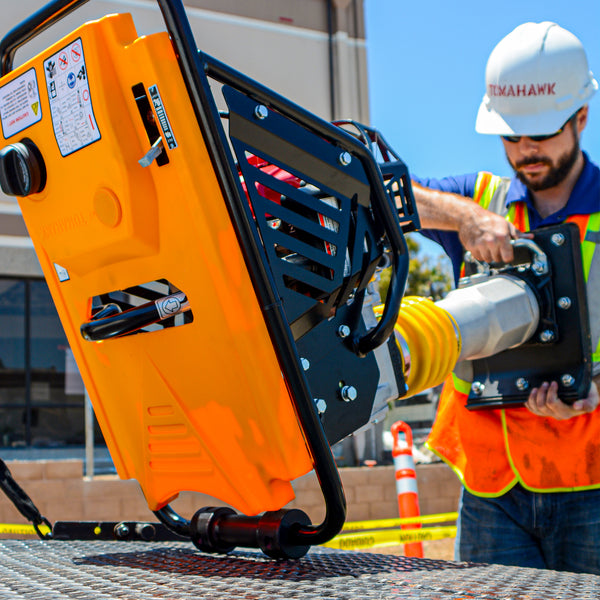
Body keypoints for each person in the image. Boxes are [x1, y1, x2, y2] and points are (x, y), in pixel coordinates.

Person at [411, 22, 600, 574]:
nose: (526, 150)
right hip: (493, 486)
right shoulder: (483, 197)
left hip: (590, 480)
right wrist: (464, 216)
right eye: (513, 137)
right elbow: (384, 191)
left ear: (581, 117)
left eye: (540, 135)